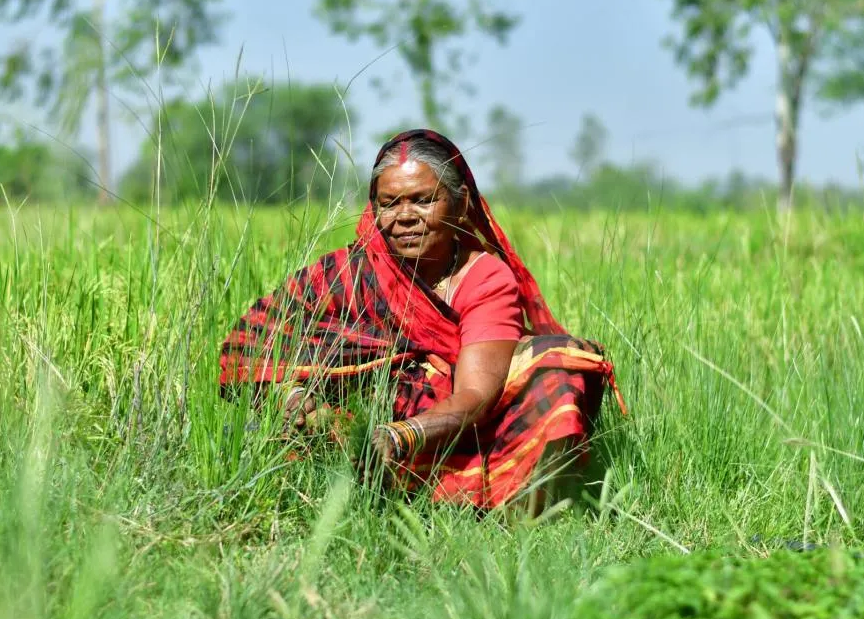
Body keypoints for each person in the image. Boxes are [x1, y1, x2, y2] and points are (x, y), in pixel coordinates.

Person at [218, 129, 626, 510]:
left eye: (423, 199)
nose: (405, 216)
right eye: (389, 203)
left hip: (457, 433)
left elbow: (476, 396)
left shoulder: (485, 277)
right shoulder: (349, 274)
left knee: (556, 361)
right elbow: (252, 341)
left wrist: (399, 435)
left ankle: (519, 499)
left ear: (461, 203)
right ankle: (341, 483)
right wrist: (291, 396)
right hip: (355, 430)